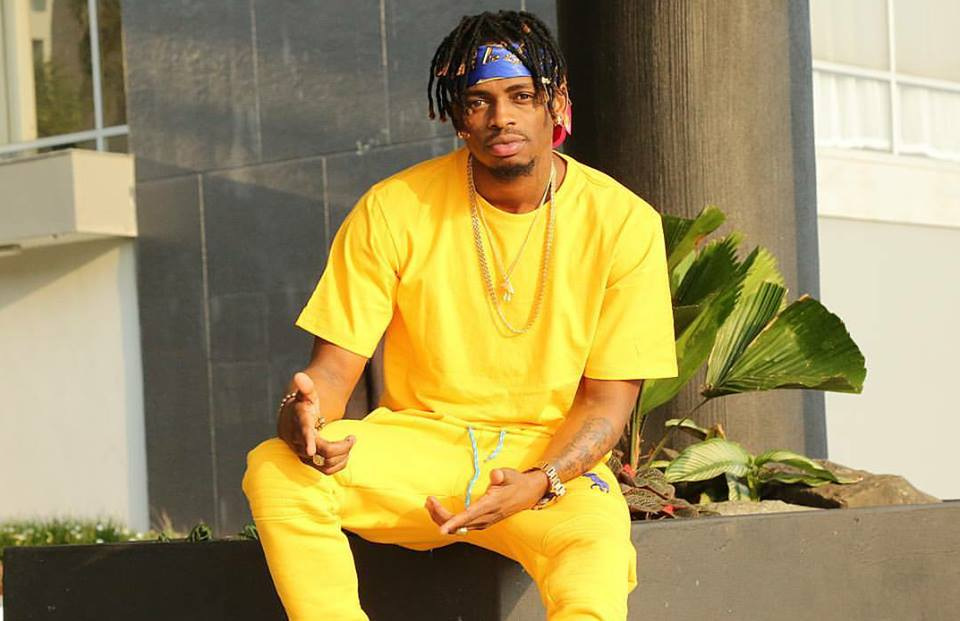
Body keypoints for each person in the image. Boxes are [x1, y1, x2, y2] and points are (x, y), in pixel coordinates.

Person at [241, 9, 677, 621]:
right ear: (455, 115)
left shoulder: (624, 222)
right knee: (275, 469)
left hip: (544, 462)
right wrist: (304, 420)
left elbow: (607, 405)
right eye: (479, 101)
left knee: (594, 552)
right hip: (421, 449)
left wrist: (541, 479)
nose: (501, 118)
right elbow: (332, 374)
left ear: (555, 103)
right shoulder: (394, 208)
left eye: (521, 96)